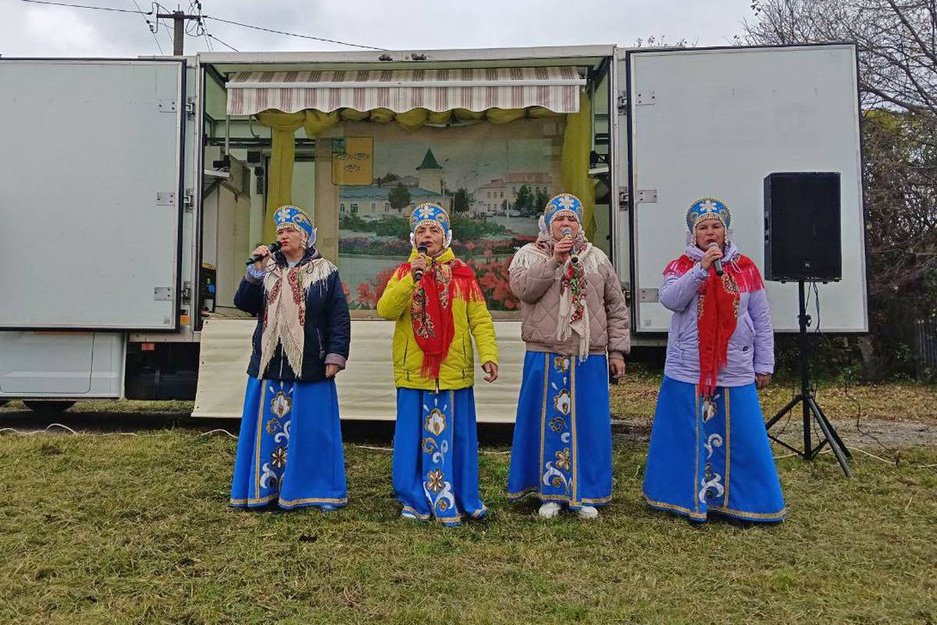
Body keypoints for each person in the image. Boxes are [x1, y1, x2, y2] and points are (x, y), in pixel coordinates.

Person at [643, 197, 786, 524]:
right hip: (688, 366)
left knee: (742, 436)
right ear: (693, 235)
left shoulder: (746, 269)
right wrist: (701, 270)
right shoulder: (680, 266)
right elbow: (671, 300)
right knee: (685, 435)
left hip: (734, 365)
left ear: (726, 231)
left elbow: (761, 319)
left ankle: (742, 502)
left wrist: (764, 364)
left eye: (716, 226)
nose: (710, 233)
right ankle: (683, 499)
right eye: (703, 228)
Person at [506, 193, 630, 520]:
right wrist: (553, 262)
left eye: (571, 218)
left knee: (588, 425)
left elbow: (616, 307)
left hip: (588, 355)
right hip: (545, 354)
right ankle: (550, 492)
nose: (565, 224)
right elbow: (523, 291)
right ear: (548, 224)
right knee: (545, 423)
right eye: (559, 218)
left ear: (579, 224)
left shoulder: (597, 258)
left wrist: (617, 351)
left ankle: (585, 492)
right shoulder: (528, 256)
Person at [376, 202, 499, 526]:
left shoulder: (463, 276)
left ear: (446, 237)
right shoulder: (403, 274)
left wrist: (488, 355)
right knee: (411, 440)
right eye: (421, 231)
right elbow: (386, 310)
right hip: (414, 371)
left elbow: (480, 320)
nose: (427, 236)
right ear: (413, 239)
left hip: (453, 371)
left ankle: (460, 497)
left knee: (458, 439)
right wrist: (411, 278)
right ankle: (414, 499)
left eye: (434, 230)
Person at [229, 204, 351, 511]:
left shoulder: (325, 272)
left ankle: (314, 491)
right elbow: (244, 303)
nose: (283, 235)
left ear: (305, 236)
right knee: (268, 430)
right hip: (270, 362)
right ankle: (266, 490)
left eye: (290, 231)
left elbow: (338, 318)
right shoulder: (267, 269)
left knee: (312, 432)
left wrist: (335, 355)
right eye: (280, 231)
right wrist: (255, 272)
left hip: (310, 364)